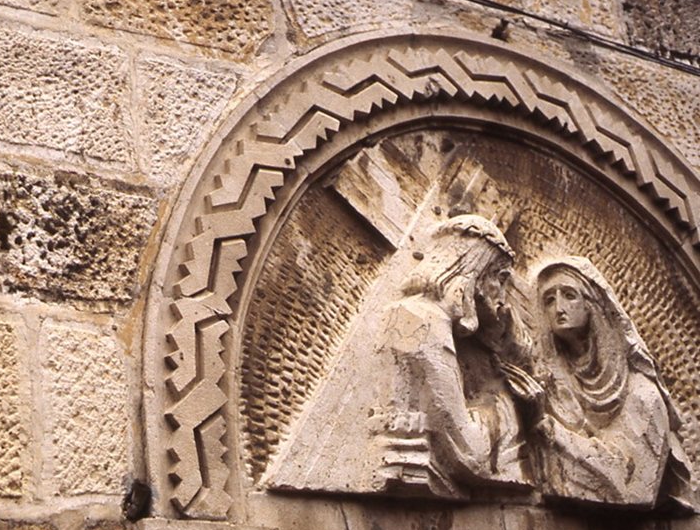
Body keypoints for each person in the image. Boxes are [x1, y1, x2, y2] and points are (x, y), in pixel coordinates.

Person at [265, 215, 533, 498]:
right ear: (475, 274)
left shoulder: (413, 315)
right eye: (501, 279)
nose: (504, 296)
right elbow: (470, 453)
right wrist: (507, 406)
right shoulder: (425, 323)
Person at [515, 257, 694, 509]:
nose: (559, 308)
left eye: (569, 295)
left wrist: (546, 428)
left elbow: (633, 489)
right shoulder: (550, 383)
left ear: (593, 304)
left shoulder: (642, 394)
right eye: (549, 300)